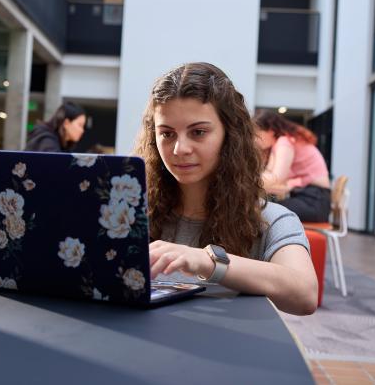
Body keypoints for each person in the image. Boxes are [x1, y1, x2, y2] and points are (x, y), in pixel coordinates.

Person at [136, 63, 317, 315]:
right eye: (167, 134)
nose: (179, 149)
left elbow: (304, 295)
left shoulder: (271, 220)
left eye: (198, 132)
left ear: (229, 136)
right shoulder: (131, 214)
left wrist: (208, 261)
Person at [253, 109, 331, 223]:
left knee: (262, 209)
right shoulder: (281, 143)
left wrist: (246, 181)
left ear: (270, 131)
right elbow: (271, 176)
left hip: (314, 201)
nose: (255, 140)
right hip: (313, 199)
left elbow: (276, 178)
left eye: (257, 134)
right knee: (264, 207)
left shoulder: (284, 142)